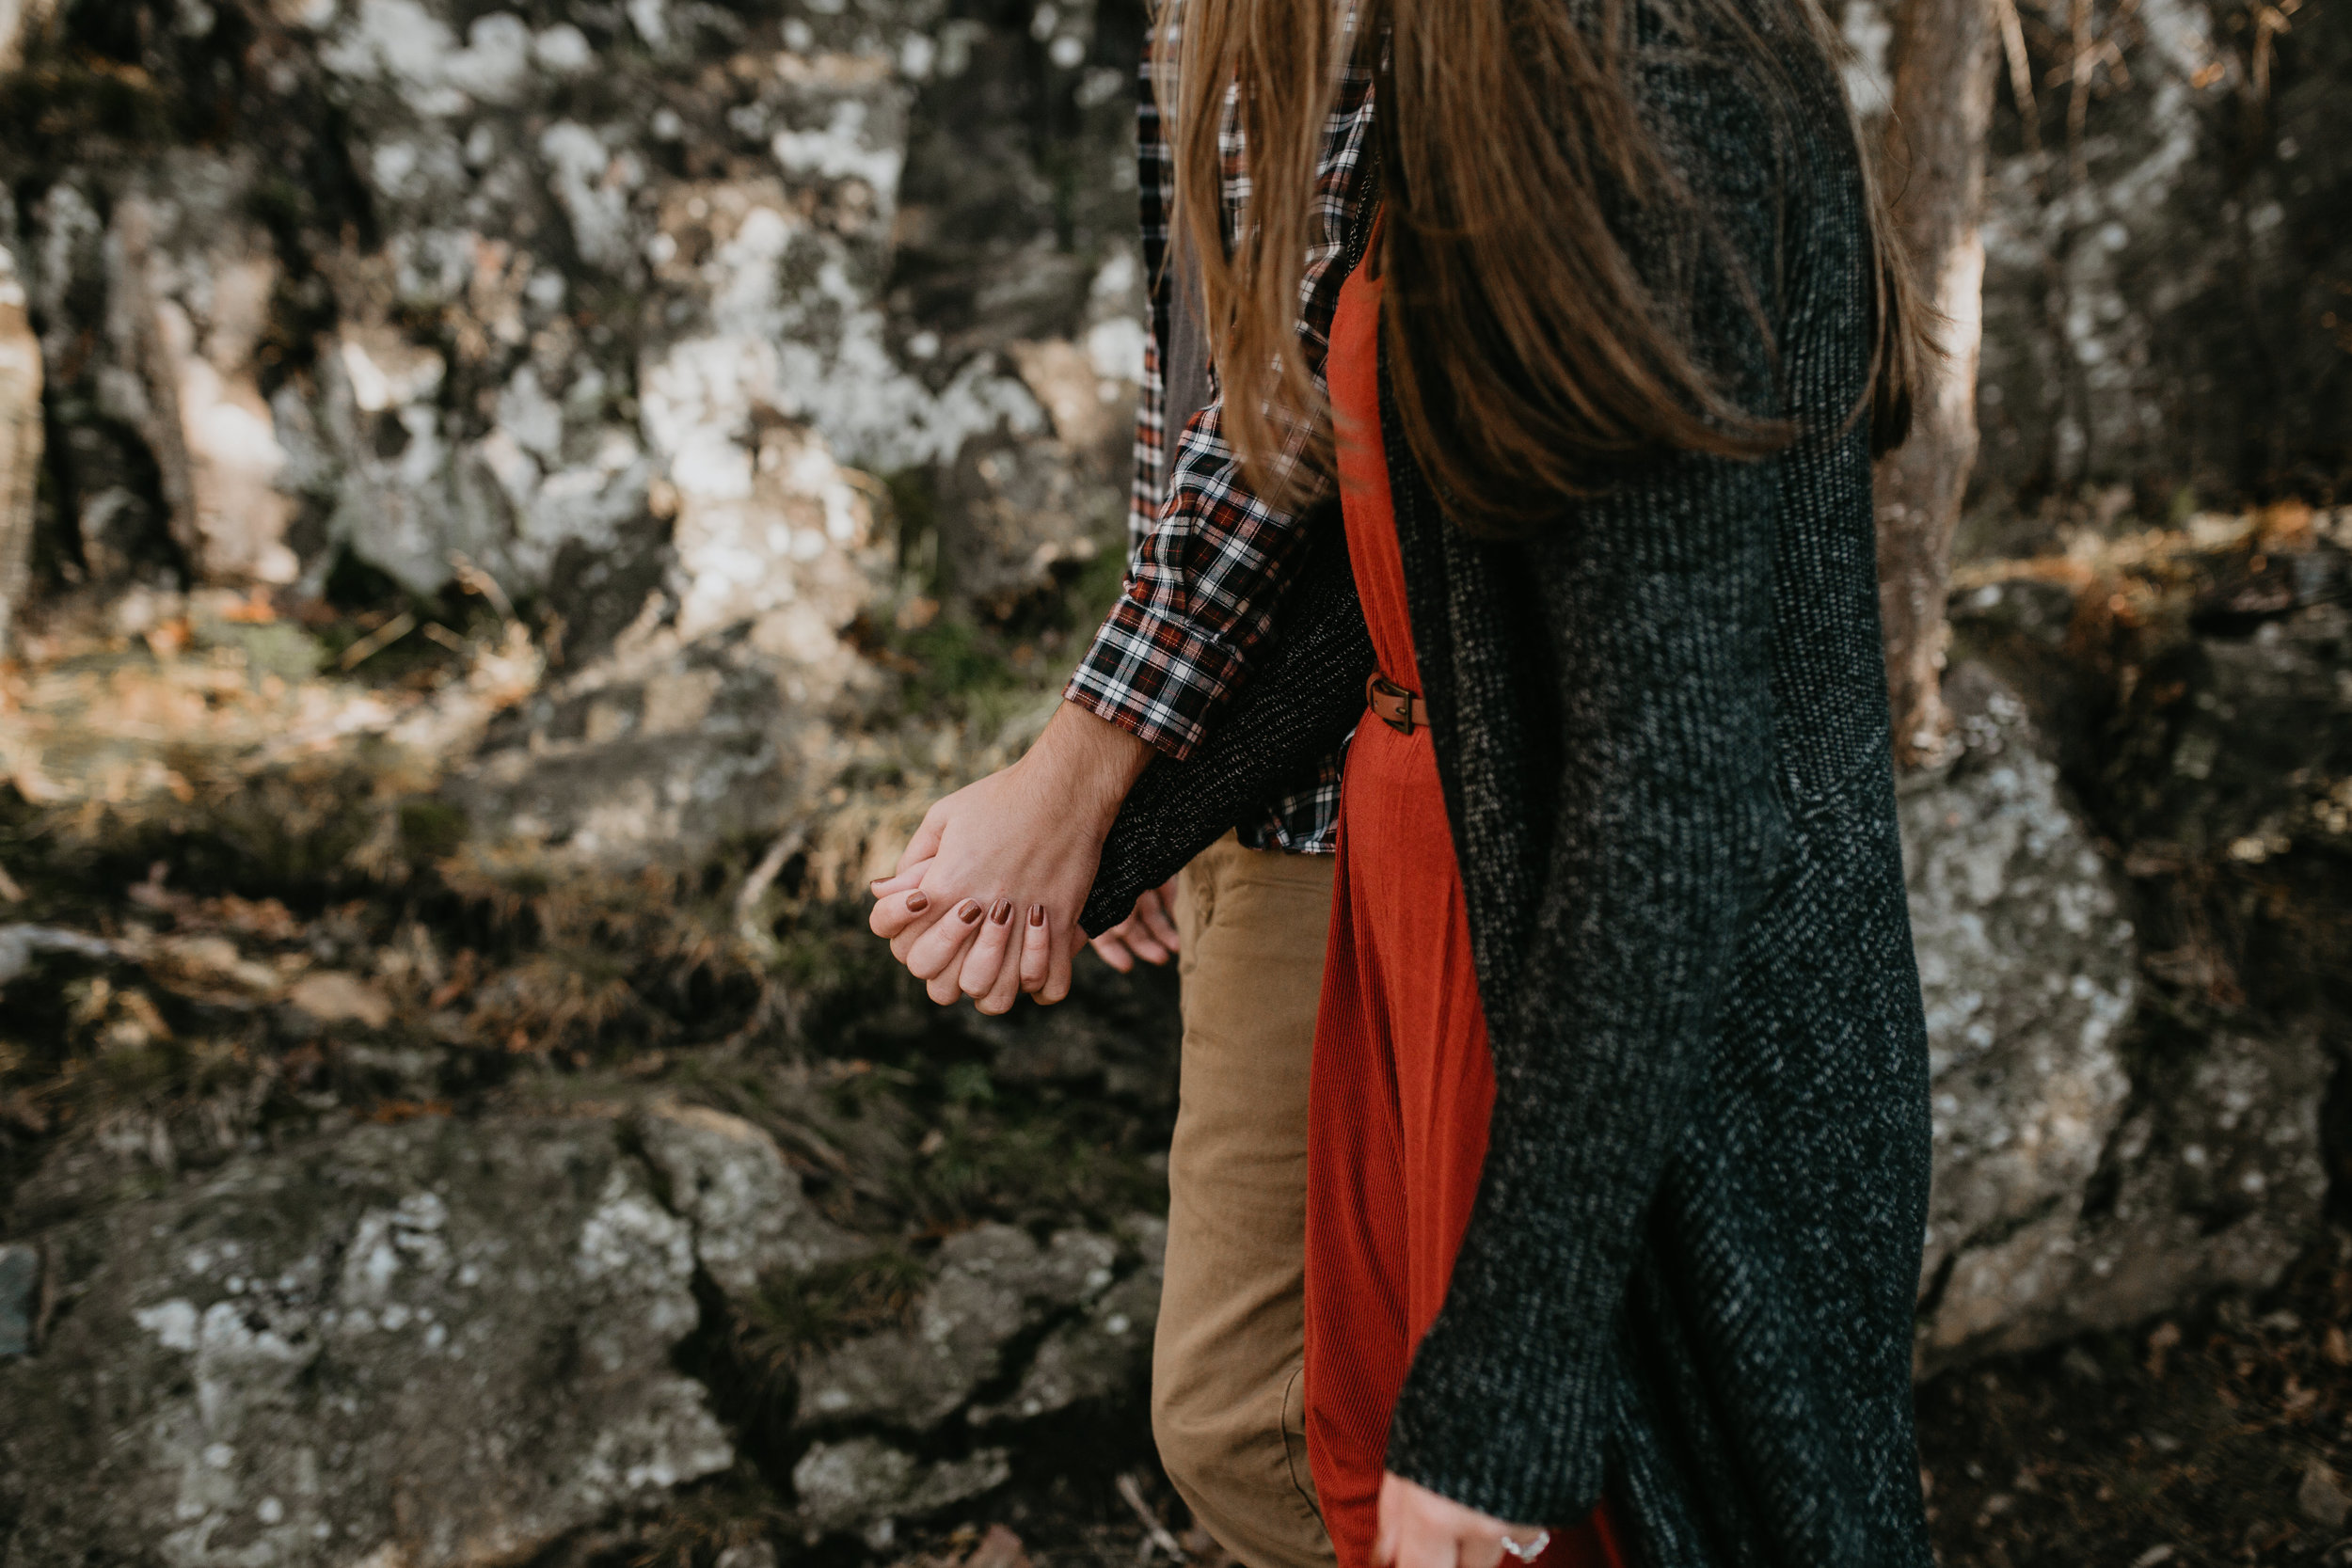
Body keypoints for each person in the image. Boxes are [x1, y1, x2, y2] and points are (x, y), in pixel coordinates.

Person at [869, 0, 1938, 1558]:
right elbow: (1405, 561)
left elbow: (1680, 795)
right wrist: (1129, 809)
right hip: (1465, 889)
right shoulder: (1485, 60)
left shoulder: (1637, 84)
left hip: (1605, 936)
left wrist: (1506, 1394)